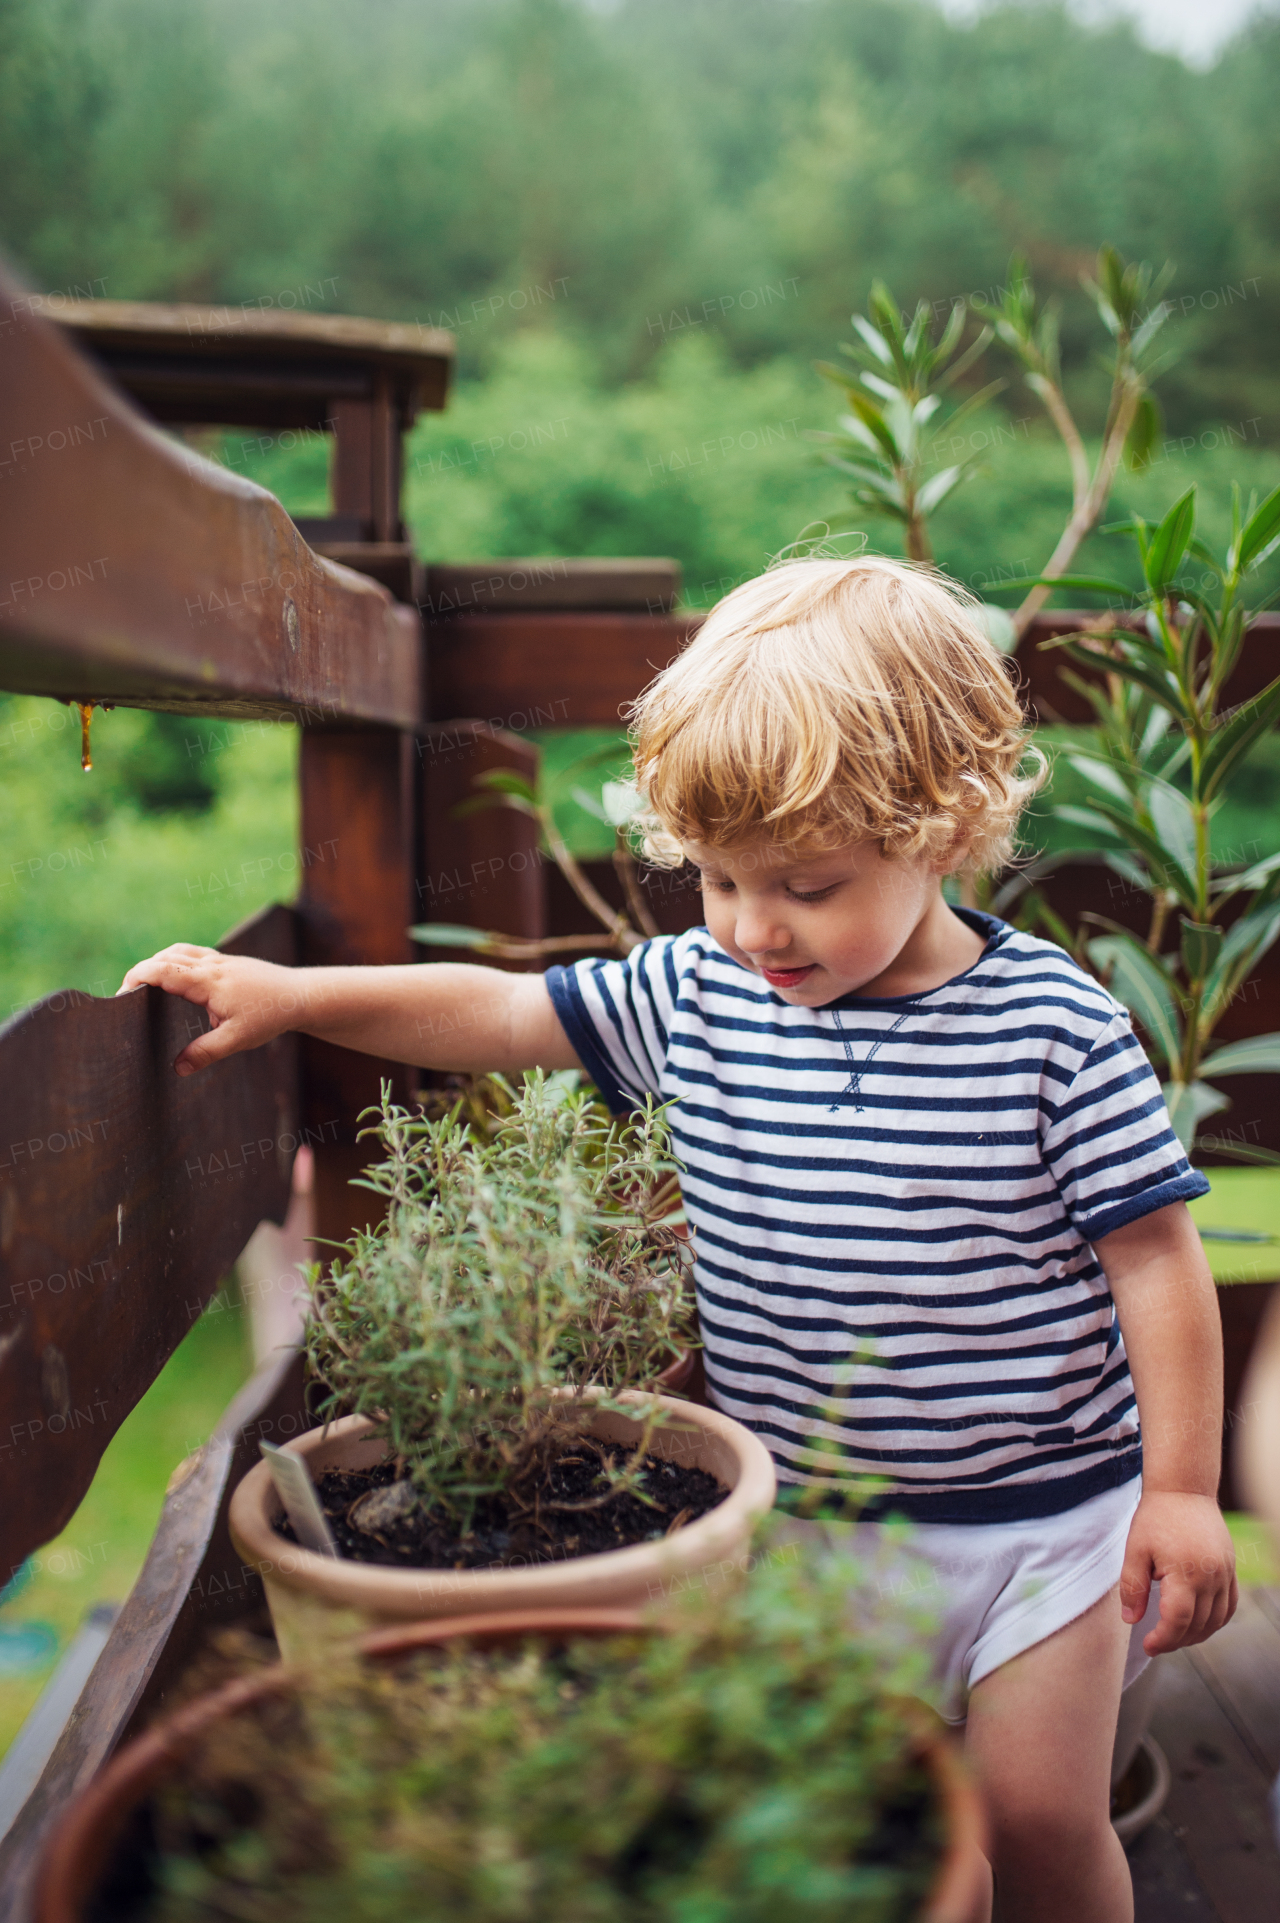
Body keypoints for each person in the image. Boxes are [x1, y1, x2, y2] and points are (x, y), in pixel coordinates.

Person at [121, 557, 1236, 1922]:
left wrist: (1180, 1492)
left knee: (1038, 1815)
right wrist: (295, 995)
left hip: (1043, 1526)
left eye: (805, 885)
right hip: (805, 1526)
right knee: (842, 1828)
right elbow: (501, 1012)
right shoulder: (698, 991)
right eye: (714, 878)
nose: (752, 926)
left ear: (943, 827)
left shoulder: (1052, 1030)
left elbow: (1158, 1268)